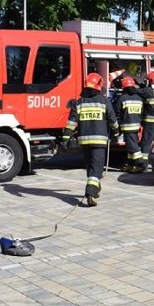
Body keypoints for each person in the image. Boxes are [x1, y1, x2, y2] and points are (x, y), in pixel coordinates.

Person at [60, 73, 120, 207]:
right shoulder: (104, 101)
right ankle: (91, 193)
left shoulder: (79, 102)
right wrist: (116, 133)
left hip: (84, 142)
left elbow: (71, 123)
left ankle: (95, 189)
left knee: (91, 168)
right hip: (99, 142)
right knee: (96, 169)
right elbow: (112, 120)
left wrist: (65, 140)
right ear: (99, 85)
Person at [115, 75, 145, 172]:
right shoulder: (139, 98)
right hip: (136, 126)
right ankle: (130, 164)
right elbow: (142, 112)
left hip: (127, 127)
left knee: (133, 147)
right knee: (130, 146)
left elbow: (117, 112)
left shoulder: (122, 98)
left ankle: (140, 164)